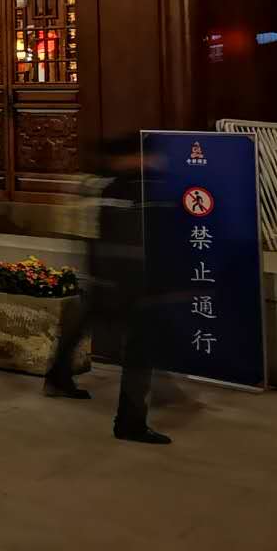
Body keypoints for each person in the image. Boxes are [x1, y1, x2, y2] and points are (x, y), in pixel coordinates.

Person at [44, 137, 170, 444]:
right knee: (139, 350)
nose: (150, 160)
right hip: (126, 281)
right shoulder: (127, 189)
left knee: (82, 325)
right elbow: (125, 241)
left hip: (106, 277)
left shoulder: (104, 186)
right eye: (142, 155)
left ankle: (58, 376)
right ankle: (130, 422)